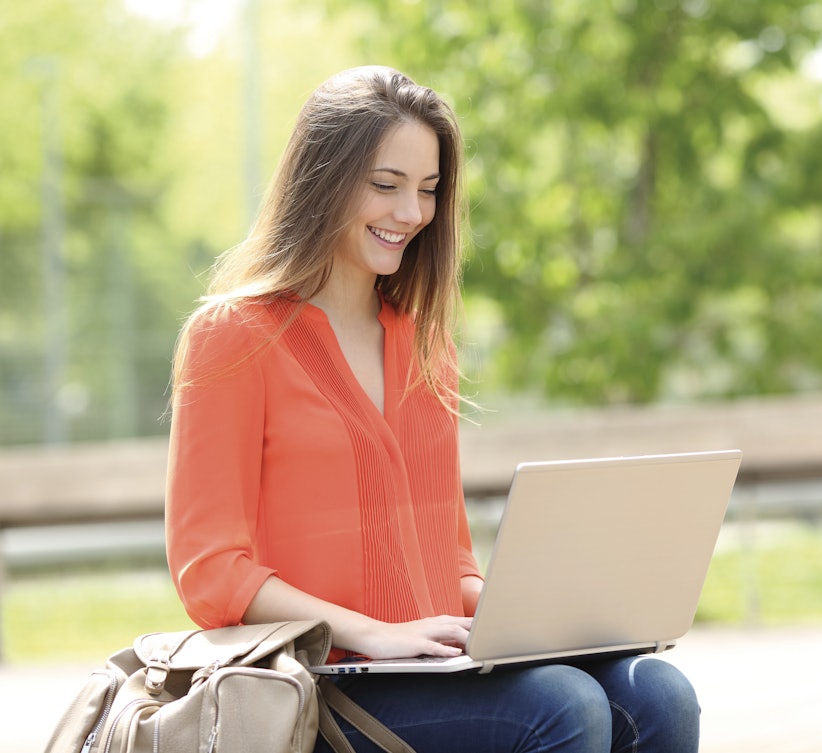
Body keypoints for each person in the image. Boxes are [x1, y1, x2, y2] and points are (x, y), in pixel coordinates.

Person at [165, 65, 700, 753]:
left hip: (428, 660)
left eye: (427, 190)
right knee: (561, 706)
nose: (411, 214)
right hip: (317, 682)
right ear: (322, 179)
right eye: (385, 186)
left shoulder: (423, 343)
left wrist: (539, 610)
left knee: (658, 691)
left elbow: (448, 557)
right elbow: (211, 571)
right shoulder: (232, 337)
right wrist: (369, 630)